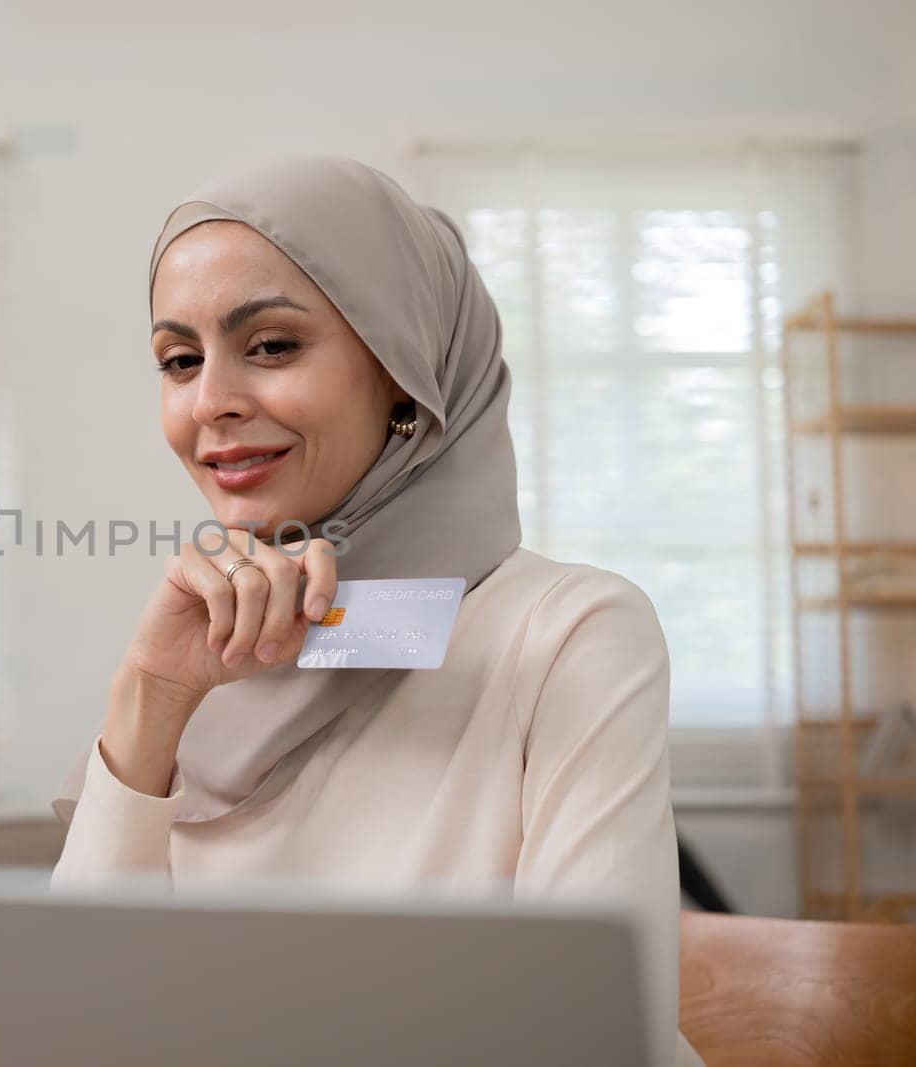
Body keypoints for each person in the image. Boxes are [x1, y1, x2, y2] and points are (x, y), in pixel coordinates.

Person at [49, 156, 704, 1067]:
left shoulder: (571, 633)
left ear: (403, 369)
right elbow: (74, 1023)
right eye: (179, 360)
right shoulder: (203, 643)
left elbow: (600, 1038)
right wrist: (152, 694)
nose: (212, 402)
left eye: (272, 346)